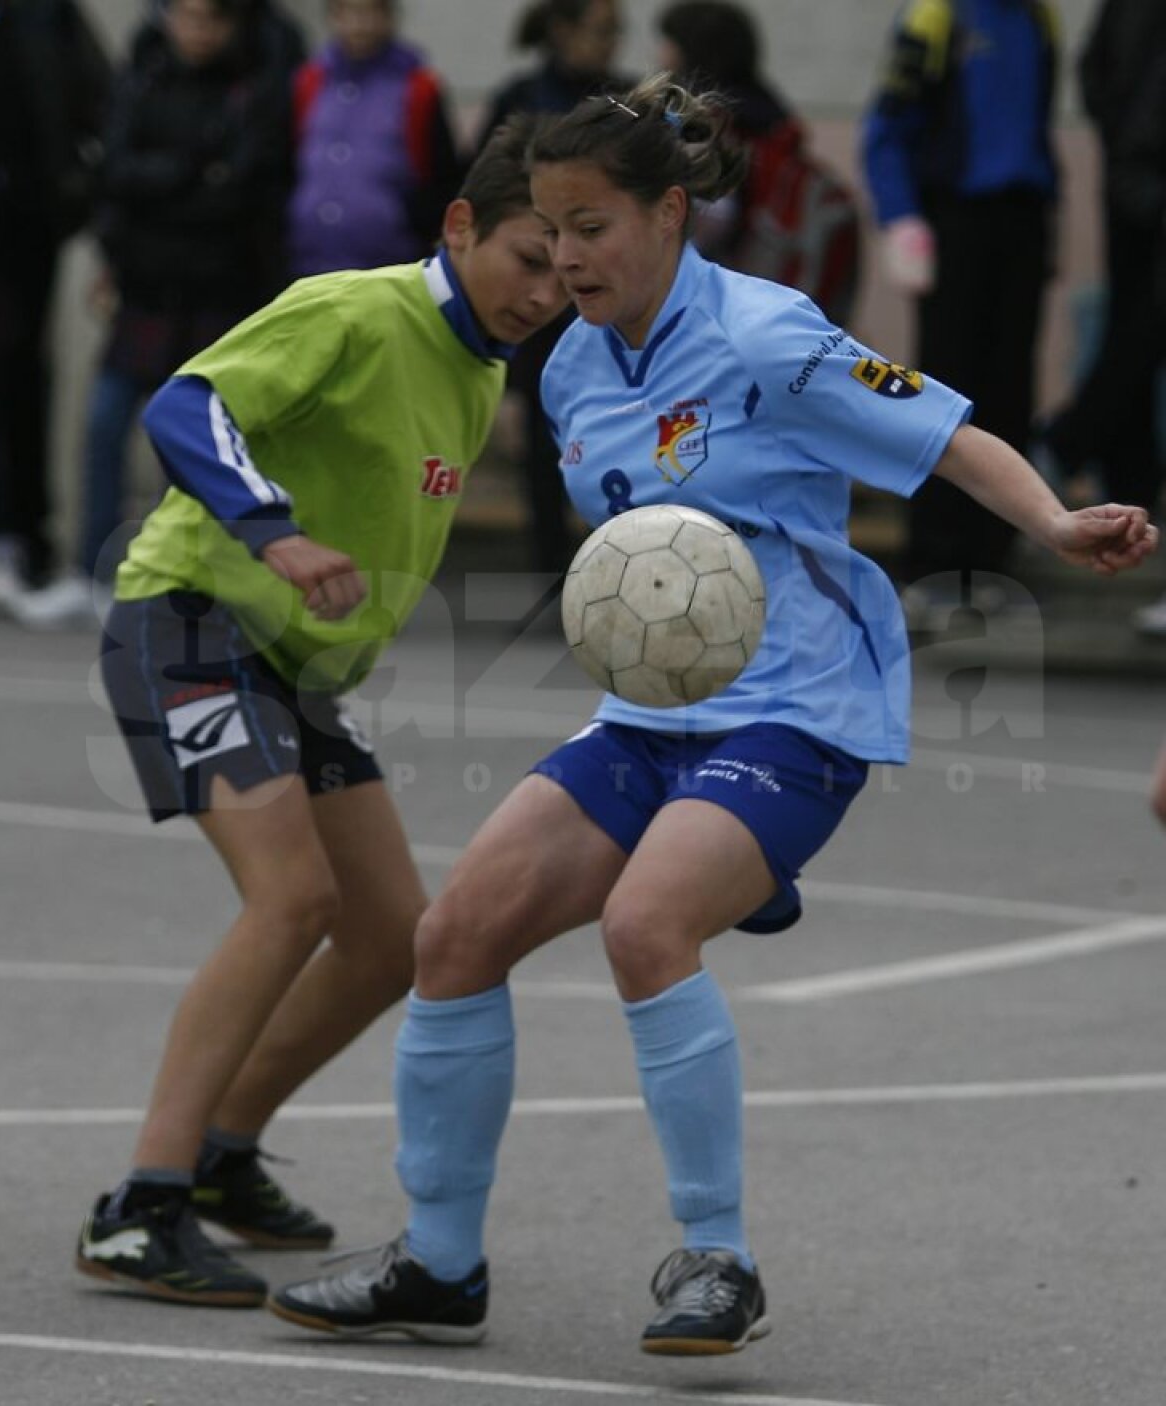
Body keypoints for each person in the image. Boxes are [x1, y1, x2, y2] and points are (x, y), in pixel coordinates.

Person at [266, 75, 1158, 1355]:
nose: (567, 255)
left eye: (592, 225)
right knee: (452, 933)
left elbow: (946, 432)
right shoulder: (569, 369)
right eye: (552, 228)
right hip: (650, 714)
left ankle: (716, 1258)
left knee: (643, 924)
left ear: (670, 213)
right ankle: (441, 1262)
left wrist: (1058, 522)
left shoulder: (767, 336)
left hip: (799, 704)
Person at [71, 117, 568, 1308]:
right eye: (525, 259)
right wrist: (274, 532)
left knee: (394, 933)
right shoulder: (355, 309)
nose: (545, 292)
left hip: (288, 667)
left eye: (565, 268)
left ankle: (224, 1153)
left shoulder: (484, 363)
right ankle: (140, 1204)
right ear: (459, 227)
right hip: (189, 619)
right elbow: (186, 407)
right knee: (292, 895)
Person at [15, 0, 294, 630]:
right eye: (183, 16)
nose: (194, 32)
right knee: (104, 424)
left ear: (230, 24)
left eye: (208, 19)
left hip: (219, 292)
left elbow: (239, 185)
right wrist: (186, 176)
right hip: (145, 289)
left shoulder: (258, 77)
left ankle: (210, 582)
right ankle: (93, 572)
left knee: (213, 446)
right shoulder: (142, 72)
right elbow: (113, 173)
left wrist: (168, 184)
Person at [860, 0, 1060, 621]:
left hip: (1020, 222)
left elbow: (1035, 129)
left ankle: (993, 557)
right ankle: (935, 559)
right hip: (957, 224)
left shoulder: (1037, 18)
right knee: (947, 394)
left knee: (1011, 390)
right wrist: (902, 219)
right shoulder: (935, 18)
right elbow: (887, 127)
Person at [475, 0, 629, 587]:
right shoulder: (521, 97)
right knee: (544, 436)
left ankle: (622, 563)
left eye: (617, 32)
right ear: (562, 31)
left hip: (608, 289)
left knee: (618, 428)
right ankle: (551, 572)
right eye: (600, 32)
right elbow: (485, 180)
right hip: (544, 285)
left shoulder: (625, 101)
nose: (610, 43)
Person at [0, 0, 110, 606]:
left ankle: (18, 537)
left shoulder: (50, 16)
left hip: (21, 233)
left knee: (17, 378)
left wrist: (71, 200)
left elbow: (102, 105)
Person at [1034, 0, 1166, 634]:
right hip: (1139, 180)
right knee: (1134, 335)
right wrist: (1129, 152)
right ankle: (1108, 475)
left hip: (1134, 176)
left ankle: (1075, 445)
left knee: (1137, 338)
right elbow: (1100, 76)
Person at [656, 0, 860, 326]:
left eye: (667, 45)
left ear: (687, 52)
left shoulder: (701, 119)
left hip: (725, 295)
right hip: (772, 288)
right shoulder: (768, 109)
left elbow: (713, 217)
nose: (660, 57)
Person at [287, 0, 461, 278]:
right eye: (348, 12)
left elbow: (441, 177)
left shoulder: (419, 88)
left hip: (389, 261)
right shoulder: (309, 82)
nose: (359, 25)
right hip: (310, 262)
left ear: (390, 16)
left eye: (371, 12)